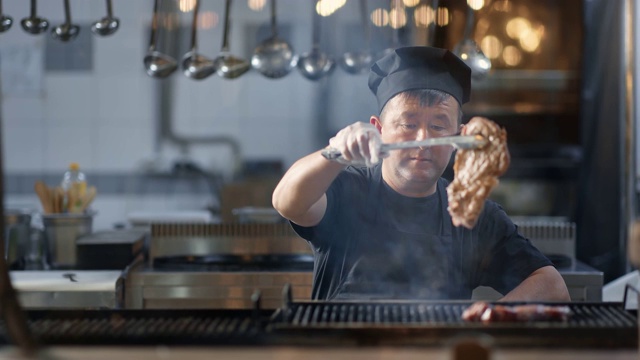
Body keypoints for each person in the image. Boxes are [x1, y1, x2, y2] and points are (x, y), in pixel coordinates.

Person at [272, 46, 570, 302]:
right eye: (408, 124)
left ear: (459, 138)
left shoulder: (472, 215)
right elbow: (288, 202)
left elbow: (552, 285)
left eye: (439, 126)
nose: (422, 139)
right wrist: (334, 153)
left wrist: (492, 315)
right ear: (379, 129)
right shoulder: (347, 189)